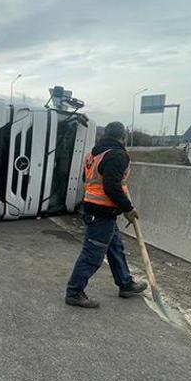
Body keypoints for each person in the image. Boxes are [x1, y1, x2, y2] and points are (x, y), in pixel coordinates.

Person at [65, 122, 148, 309]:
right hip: (101, 213)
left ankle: (125, 284)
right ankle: (74, 292)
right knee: (92, 254)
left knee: (115, 248)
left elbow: (92, 181)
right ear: (123, 136)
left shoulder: (94, 153)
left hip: (97, 209)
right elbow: (111, 186)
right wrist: (127, 208)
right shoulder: (117, 155)